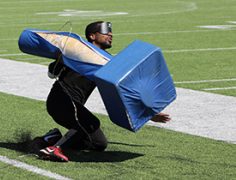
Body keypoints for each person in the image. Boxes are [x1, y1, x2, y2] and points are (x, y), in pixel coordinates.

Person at [33, 21, 171, 162]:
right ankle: (53, 149)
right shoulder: (76, 51)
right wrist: (62, 58)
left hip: (74, 105)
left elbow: (122, 91)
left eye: (111, 33)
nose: (110, 35)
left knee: (98, 143)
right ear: (92, 36)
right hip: (61, 101)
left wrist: (147, 114)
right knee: (89, 124)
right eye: (105, 33)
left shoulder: (105, 62)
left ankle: (51, 138)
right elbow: (52, 73)